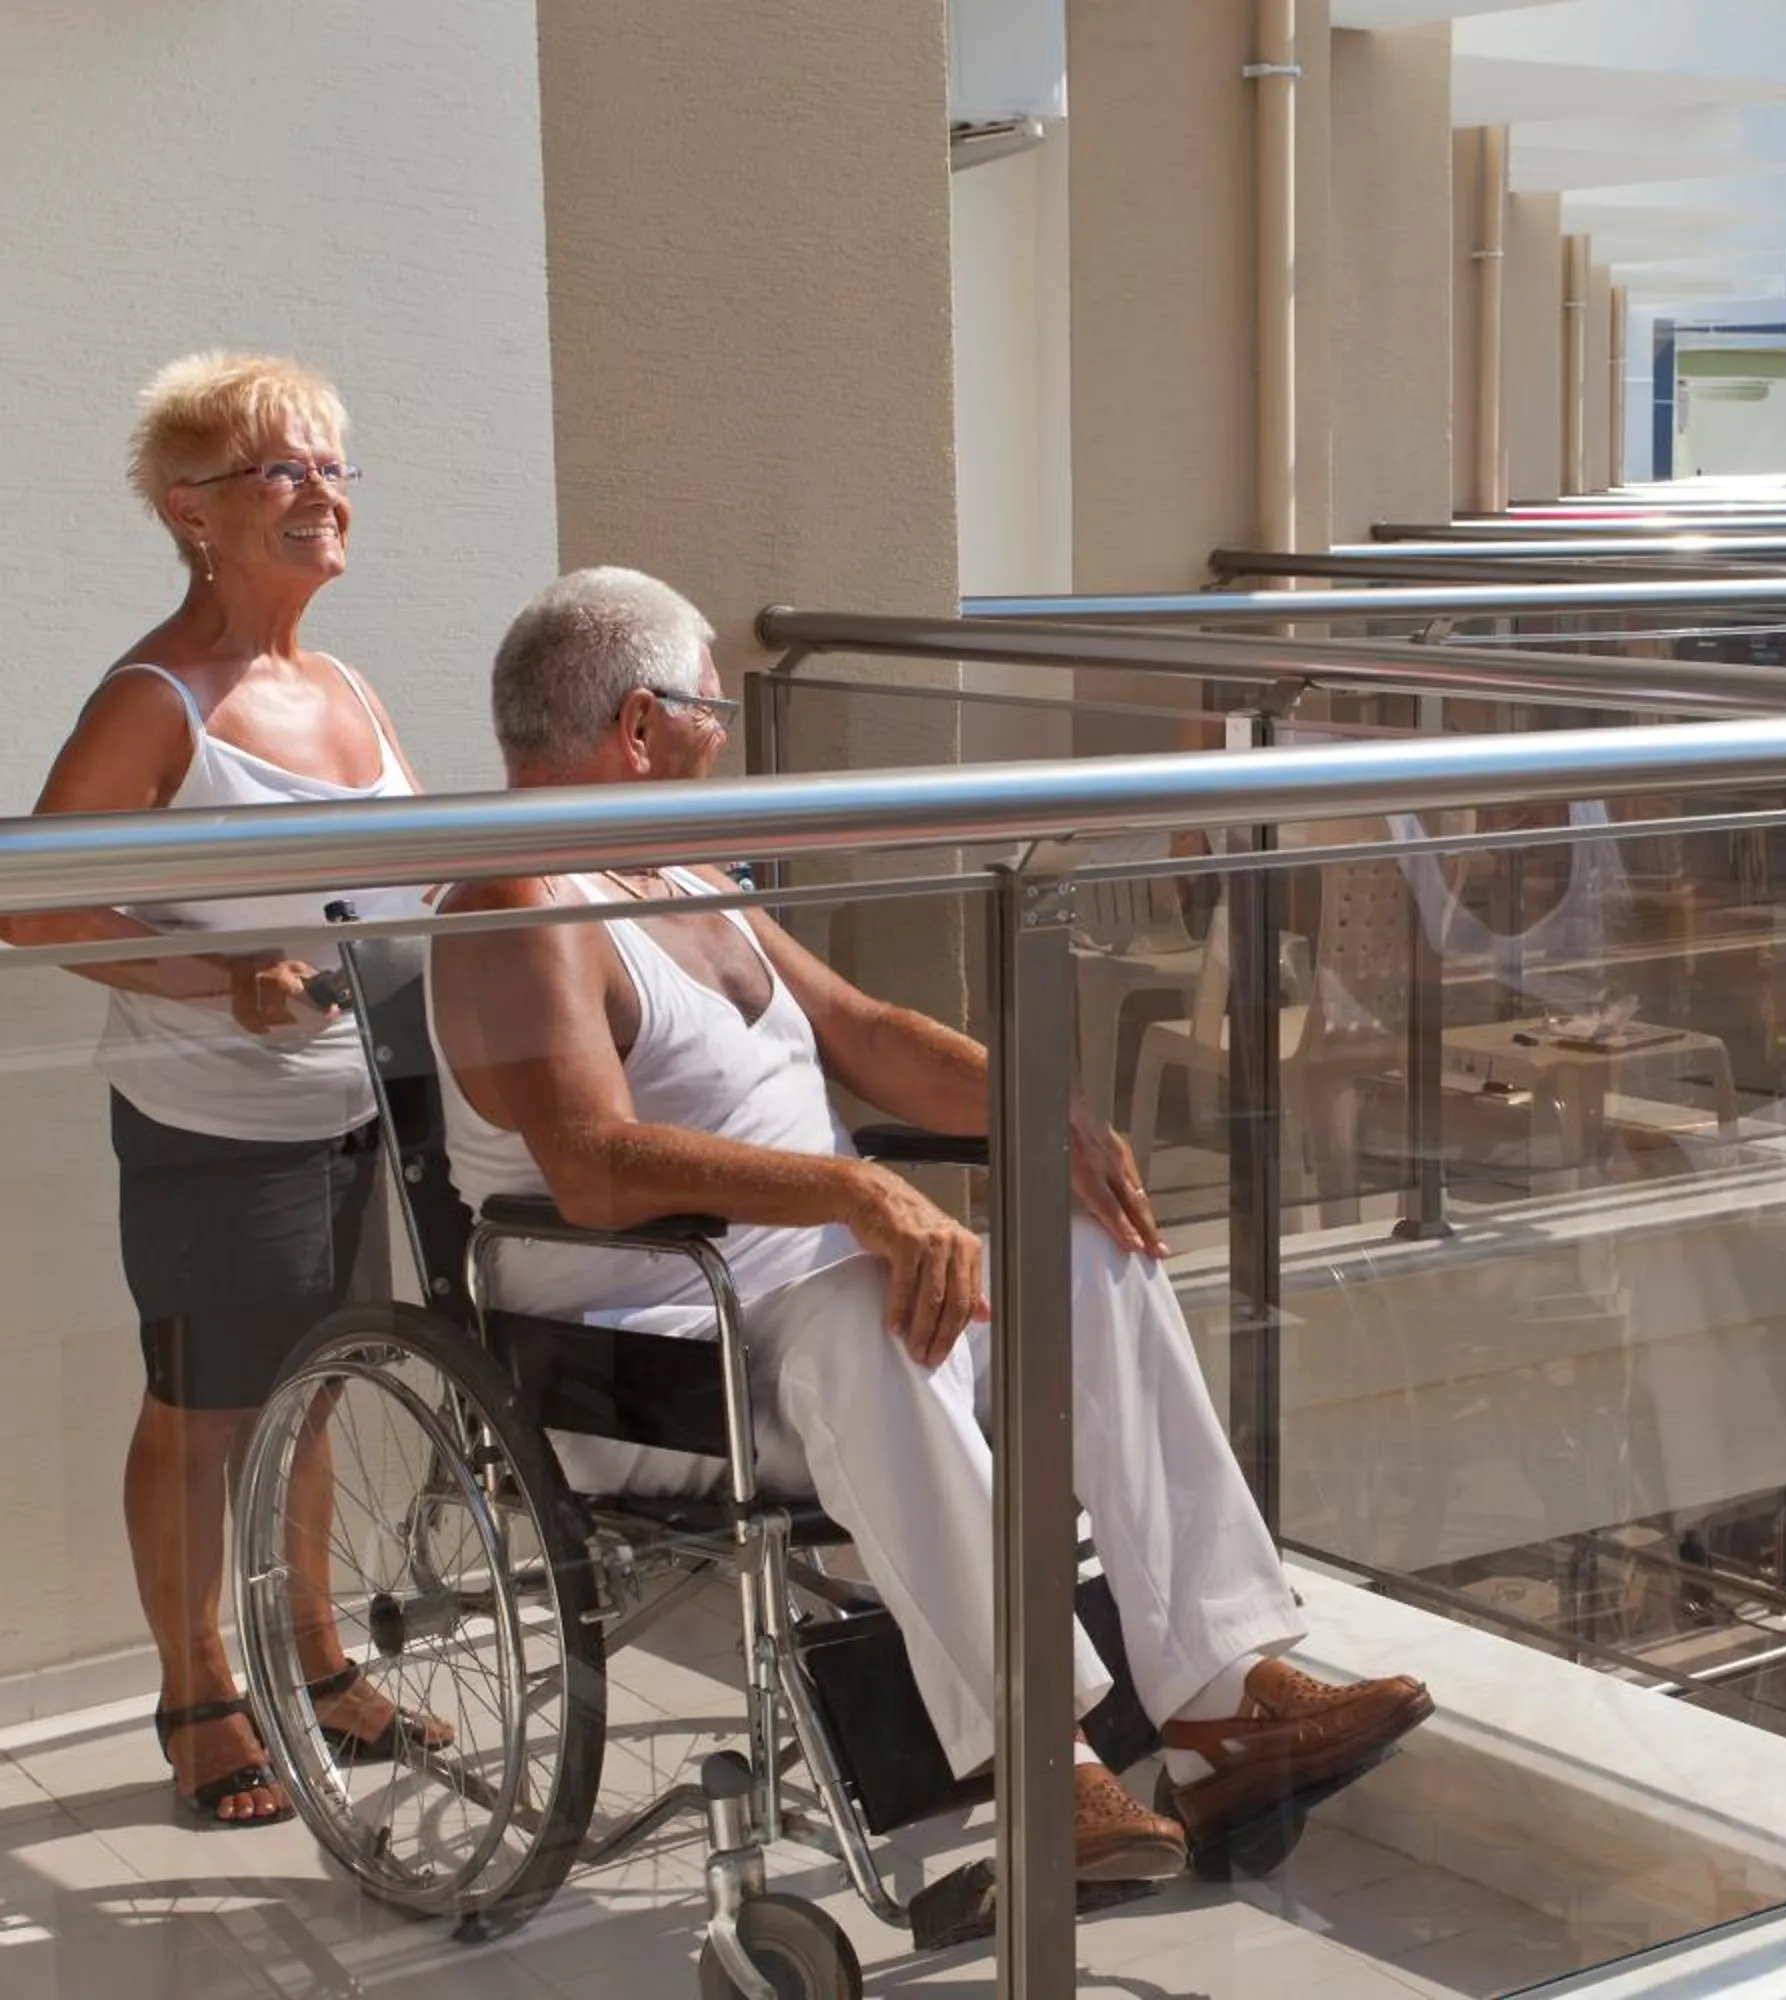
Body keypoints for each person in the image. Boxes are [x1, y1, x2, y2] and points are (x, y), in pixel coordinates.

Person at [428, 568, 1431, 1893]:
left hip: (812, 1321)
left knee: (1085, 1245)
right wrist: (858, 1194)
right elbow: (597, 1168)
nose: (725, 735)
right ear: (638, 723)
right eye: (714, 708)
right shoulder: (515, 908)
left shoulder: (674, 875)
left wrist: (1050, 1117)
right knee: (867, 1311)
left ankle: (1218, 1692)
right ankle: (1044, 1765)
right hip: (652, 1356)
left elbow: (864, 1035)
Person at [0, 354, 439, 1827]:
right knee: (202, 1409)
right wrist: (224, 981)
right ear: (192, 512)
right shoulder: (156, 698)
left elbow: (418, 891)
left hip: (352, 1107)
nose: (322, 494)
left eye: (331, 466)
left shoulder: (346, 684)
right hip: (209, 1125)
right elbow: (31, 906)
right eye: (282, 471)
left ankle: (315, 1660)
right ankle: (198, 1694)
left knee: (307, 1399)